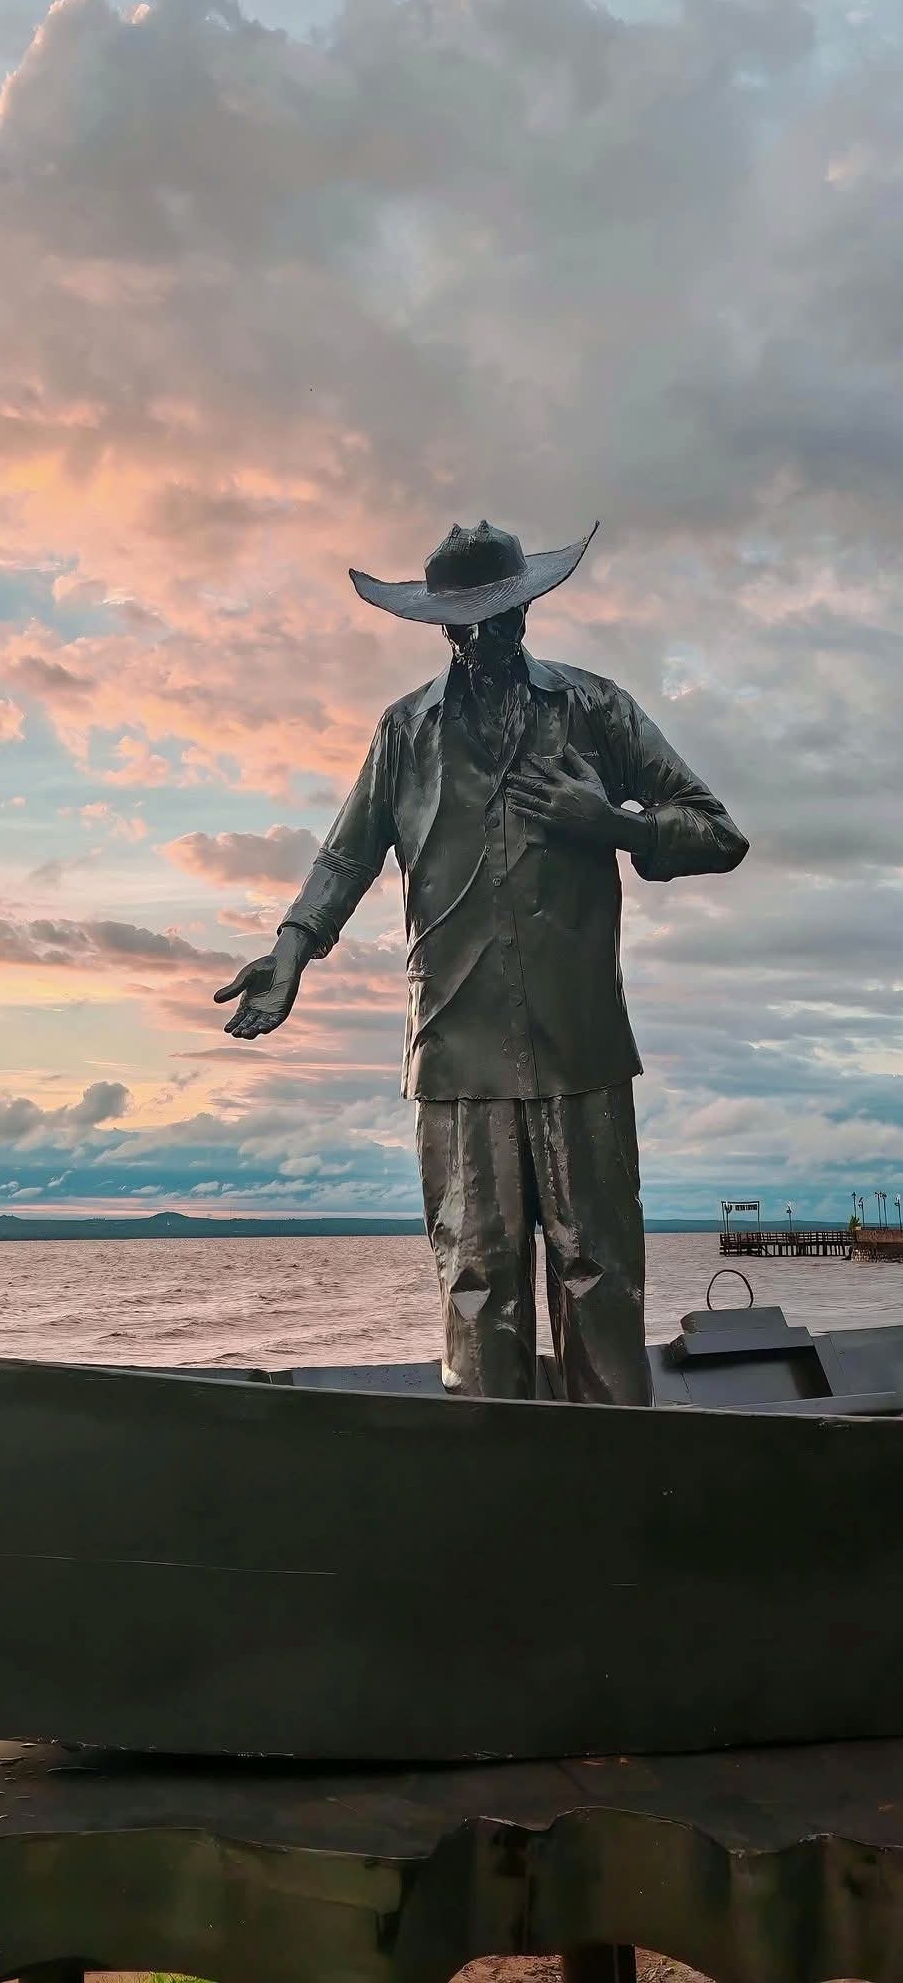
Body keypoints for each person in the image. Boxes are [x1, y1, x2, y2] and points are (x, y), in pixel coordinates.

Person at [214, 519, 748, 1405]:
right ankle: (490, 1465)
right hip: (456, 1048)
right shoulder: (404, 730)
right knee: (476, 1278)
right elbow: (347, 855)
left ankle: (615, 1466)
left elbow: (719, 833)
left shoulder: (596, 708)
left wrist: (614, 825)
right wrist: (291, 948)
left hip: (580, 1046)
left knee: (600, 1274)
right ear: (439, 628)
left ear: (526, 613)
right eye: (459, 625)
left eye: (497, 619)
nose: (478, 640)